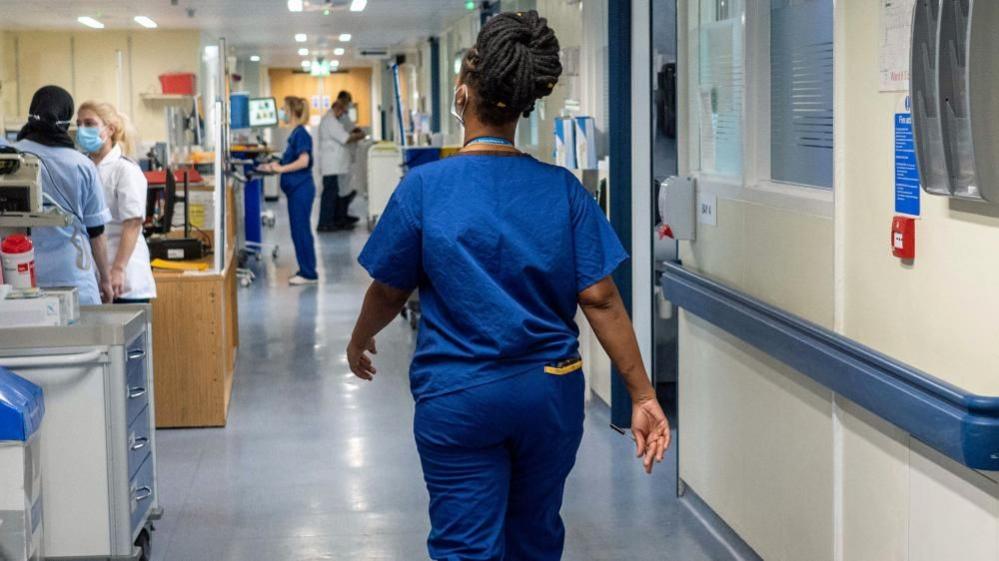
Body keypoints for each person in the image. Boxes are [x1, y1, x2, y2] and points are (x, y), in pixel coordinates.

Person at [347, 11, 670, 561]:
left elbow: (388, 289)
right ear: (524, 105)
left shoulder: (425, 188)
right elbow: (601, 297)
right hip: (549, 391)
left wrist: (359, 339)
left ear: (463, 94)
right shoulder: (562, 190)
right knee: (535, 535)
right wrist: (643, 393)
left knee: (465, 546)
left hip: (460, 393)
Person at [14, 85, 113, 305]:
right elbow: (96, 232)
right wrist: (105, 280)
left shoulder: (11, 159)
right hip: (73, 276)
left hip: (21, 276)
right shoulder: (81, 165)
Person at [75, 101, 156, 304]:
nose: (83, 129)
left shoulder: (125, 170)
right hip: (94, 276)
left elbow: (133, 223)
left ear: (109, 129)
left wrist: (118, 269)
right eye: (79, 124)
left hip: (124, 276)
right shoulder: (82, 167)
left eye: (90, 123)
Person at [259, 96, 318, 285]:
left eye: (284, 108)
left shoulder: (301, 133)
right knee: (298, 230)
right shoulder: (295, 134)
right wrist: (273, 166)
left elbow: (304, 161)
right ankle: (306, 269)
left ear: (292, 111)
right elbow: (289, 159)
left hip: (301, 189)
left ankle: (309, 273)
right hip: (296, 190)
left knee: (301, 231)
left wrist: (280, 169)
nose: (281, 112)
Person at [316, 90, 365, 231]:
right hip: (331, 165)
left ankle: (334, 220)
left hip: (337, 165)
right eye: (342, 110)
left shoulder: (334, 119)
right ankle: (325, 223)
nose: (344, 113)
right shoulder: (330, 120)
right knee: (329, 195)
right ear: (338, 108)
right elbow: (345, 137)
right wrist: (359, 135)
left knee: (335, 193)